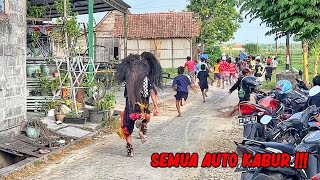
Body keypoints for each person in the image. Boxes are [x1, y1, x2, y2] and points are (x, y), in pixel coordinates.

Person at [116, 52, 163, 157]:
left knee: (127, 129)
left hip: (130, 107)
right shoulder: (147, 79)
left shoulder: (129, 79)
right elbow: (152, 93)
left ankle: (130, 149)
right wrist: (156, 107)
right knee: (145, 118)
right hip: (143, 107)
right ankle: (142, 130)